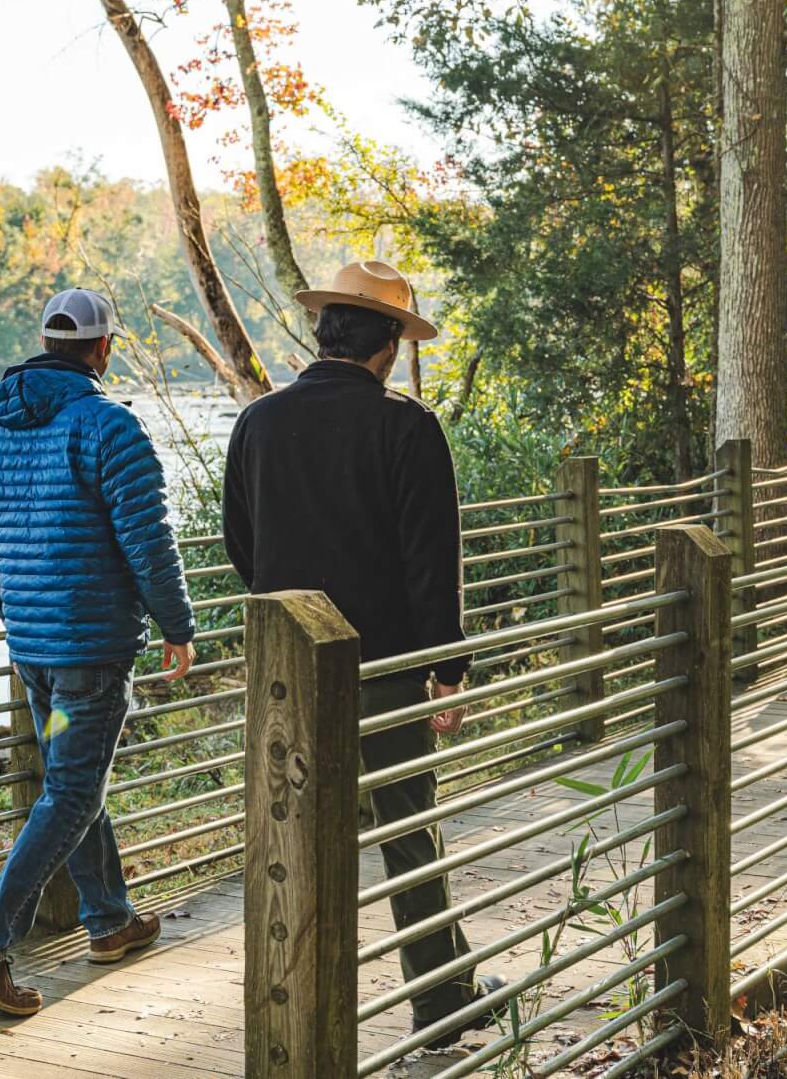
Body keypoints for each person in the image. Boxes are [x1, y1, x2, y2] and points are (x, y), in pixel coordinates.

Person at [222, 259, 506, 1046]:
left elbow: (239, 544)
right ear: (385, 343)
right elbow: (429, 561)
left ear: (324, 333)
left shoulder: (258, 422)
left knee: (293, 830)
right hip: (379, 667)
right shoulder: (406, 426)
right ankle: (440, 1001)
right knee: (408, 829)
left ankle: (295, 1010)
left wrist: (291, 614)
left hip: (285, 670)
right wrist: (447, 670)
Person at [0, 288, 198, 1017]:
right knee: (76, 789)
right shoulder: (109, 426)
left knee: (71, 777)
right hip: (92, 652)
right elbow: (149, 543)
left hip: (36, 653)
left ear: (45, 344)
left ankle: (109, 919)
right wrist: (178, 625)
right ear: (104, 348)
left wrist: (19, 618)